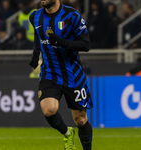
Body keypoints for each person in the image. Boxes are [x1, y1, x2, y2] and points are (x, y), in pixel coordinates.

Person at [29, 0, 93, 150]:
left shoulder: (72, 15)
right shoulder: (35, 16)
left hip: (73, 74)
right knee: (49, 110)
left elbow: (86, 44)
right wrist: (35, 54)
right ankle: (67, 133)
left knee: (81, 120)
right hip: (50, 73)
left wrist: (63, 42)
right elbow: (39, 36)